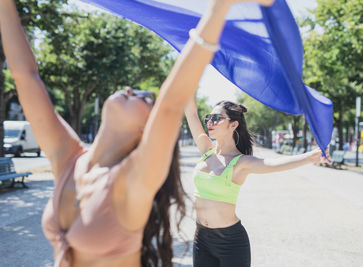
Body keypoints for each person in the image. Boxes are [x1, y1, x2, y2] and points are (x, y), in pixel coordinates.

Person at [0, 0, 276, 266]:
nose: (136, 91)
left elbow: (171, 104)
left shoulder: (134, 177)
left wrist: (218, 8)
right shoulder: (72, 159)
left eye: (148, 99)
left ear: (146, 131)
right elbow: (25, 74)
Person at [184, 99, 330, 267]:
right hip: (201, 238)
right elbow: (191, 113)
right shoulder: (207, 151)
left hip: (231, 243)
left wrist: (310, 157)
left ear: (233, 125)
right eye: (209, 117)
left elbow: (273, 164)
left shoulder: (241, 163)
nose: (210, 122)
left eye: (217, 118)